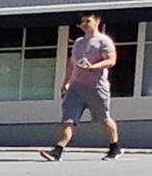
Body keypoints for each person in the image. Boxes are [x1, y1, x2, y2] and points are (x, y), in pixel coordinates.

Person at [45, 14, 122, 161]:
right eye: (82, 22)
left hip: (96, 88)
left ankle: (115, 147)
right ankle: (57, 150)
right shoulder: (79, 42)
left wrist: (93, 67)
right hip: (76, 88)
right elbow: (72, 63)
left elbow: (111, 61)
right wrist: (66, 82)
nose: (85, 24)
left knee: (104, 119)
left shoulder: (103, 41)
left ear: (97, 22)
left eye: (88, 21)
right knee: (68, 119)